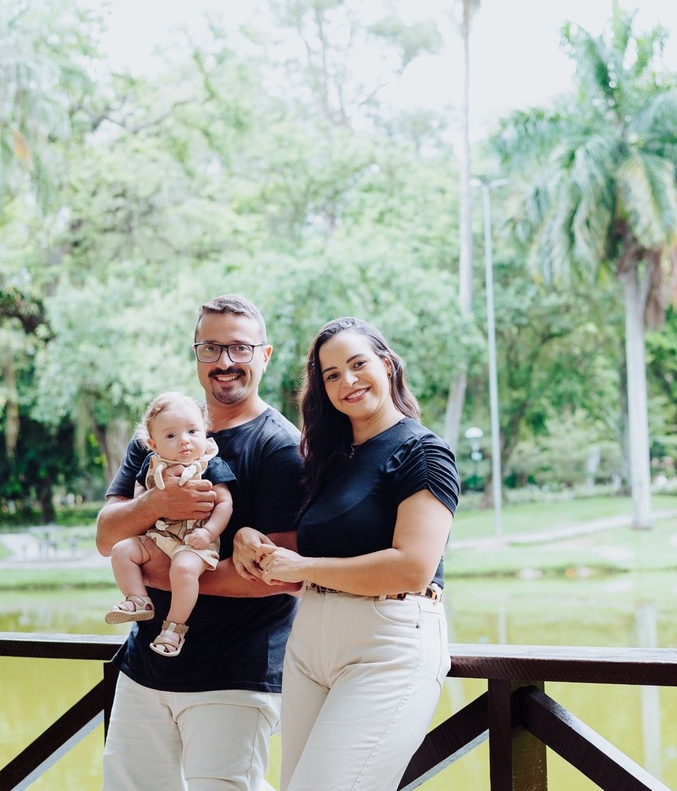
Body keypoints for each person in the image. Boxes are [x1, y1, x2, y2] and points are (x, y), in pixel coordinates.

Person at [233, 316, 459, 791]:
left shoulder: (423, 451)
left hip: (387, 643)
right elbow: (299, 556)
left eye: (358, 365)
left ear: (388, 363)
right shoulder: (327, 460)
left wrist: (304, 567)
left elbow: (413, 568)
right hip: (310, 640)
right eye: (331, 375)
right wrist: (252, 540)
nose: (347, 382)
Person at [96, 294, 304, 791]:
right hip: (144, 665)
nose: (225, 362)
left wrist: (156, 573)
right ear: (196, 354)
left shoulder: (280, 447)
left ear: (264, 355)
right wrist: (153, 507)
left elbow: (280, 577)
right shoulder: (156, 436)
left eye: (239, 348)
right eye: (210, 348)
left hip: (237, 672)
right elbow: (107, 537)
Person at [104, 391, 236, 658]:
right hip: (158, 538)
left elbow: (225, 503)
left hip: (194, 541)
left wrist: (208, 531)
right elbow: (140, 497)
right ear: (153, 444)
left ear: (205, 431)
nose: (184, 441)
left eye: (192, 431)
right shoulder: (151, 465)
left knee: (184, 569)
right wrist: (152, 503)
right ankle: (138, 599)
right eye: (171, 436)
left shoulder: (209, 464)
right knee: (122, 551)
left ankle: (174, 628)